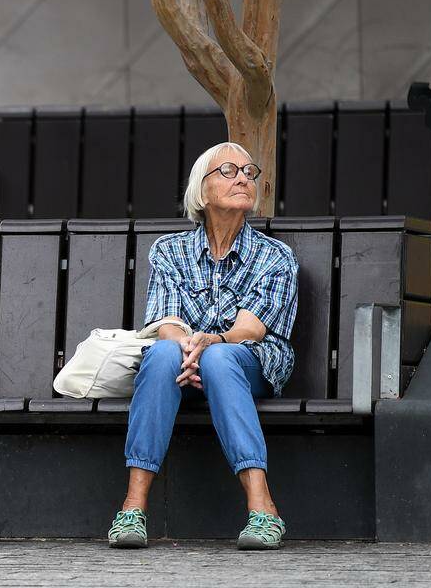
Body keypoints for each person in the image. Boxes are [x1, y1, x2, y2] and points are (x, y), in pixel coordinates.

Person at [107, 142, 299, 550]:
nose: (244, 179)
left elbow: (249, 330)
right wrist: (189, 348)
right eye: (229, 171)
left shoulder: (275, 257)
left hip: (252, 363)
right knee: (161, 353)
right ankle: (133, 508)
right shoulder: (169, 251)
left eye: (250, 172)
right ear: (201, 189)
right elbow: (167, 324)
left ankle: (263, 509)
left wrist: (212, 344)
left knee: (221, 356)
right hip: (185, 364)